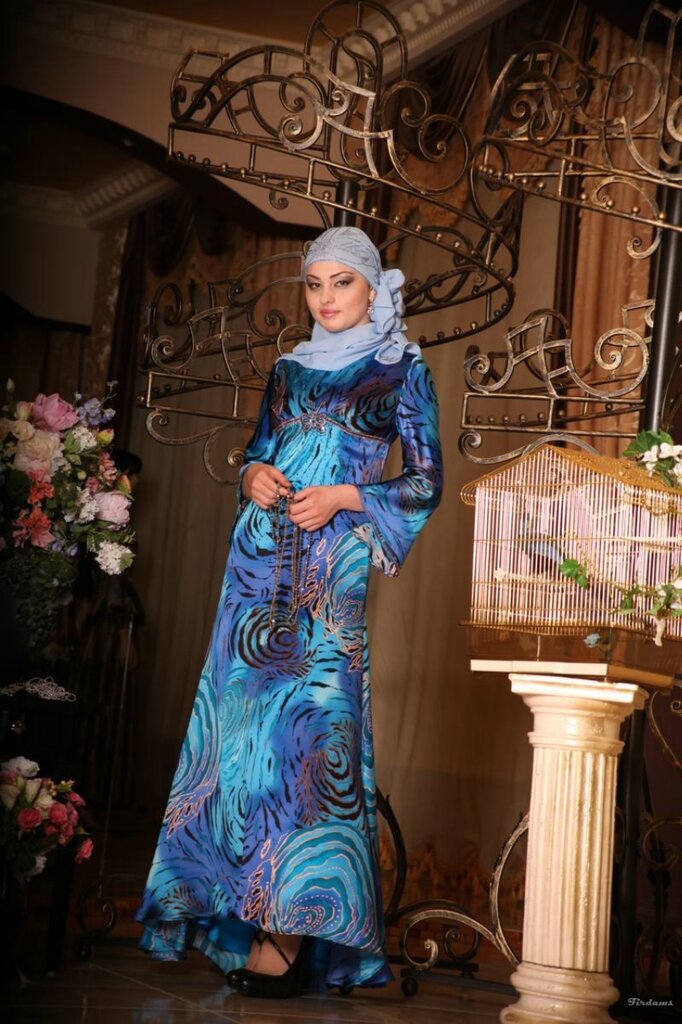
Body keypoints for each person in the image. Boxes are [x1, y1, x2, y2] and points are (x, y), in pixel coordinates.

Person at [135, 226, 443, 998]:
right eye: (314, 284)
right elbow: (258, 451)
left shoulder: (401, 368)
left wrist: (344, 496)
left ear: (372, 287)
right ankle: (237, 916)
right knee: (241, 745)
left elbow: (425, 480)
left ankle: (294, 930)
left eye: (343, 282)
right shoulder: (287, 370)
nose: (326, 298)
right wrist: (253, 478)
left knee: (311, 745)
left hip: (328, 574)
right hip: (256, 567)